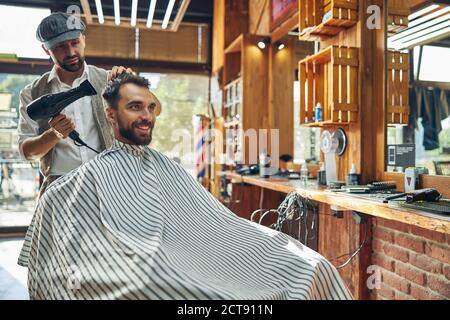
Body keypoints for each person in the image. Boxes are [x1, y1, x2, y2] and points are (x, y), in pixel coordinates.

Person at [18, 74, 352, 300]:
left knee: (311, 266)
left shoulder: (164, 165)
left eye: (150, 107)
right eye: (134, 107)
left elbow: (220, 224)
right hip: (141, 251)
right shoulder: (80, 183)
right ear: (110, 114)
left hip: (202, 249)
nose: (147, 115)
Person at [17, 12, 134, 196]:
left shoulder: (109, 80)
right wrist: (53, 135)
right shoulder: (31, 93)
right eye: (61, 47)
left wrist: (134, 87)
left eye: (74, 42)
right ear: (46, 50)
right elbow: (27, 153)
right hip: (60, 190)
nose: (71, 52)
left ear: (84, 39)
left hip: (109, 183)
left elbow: (154, 112)